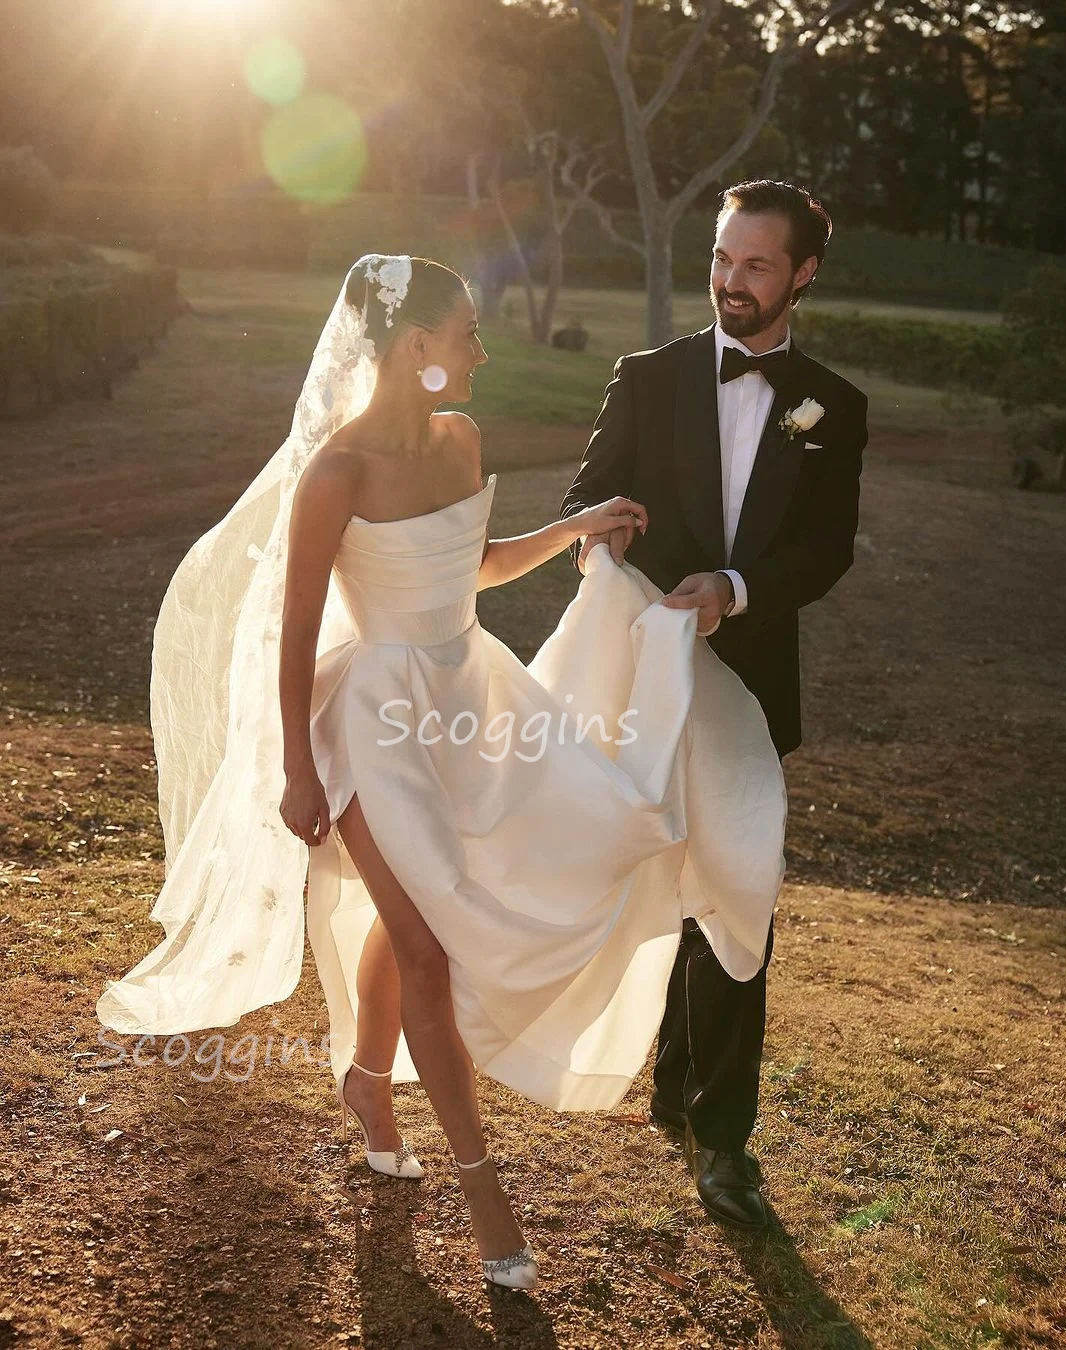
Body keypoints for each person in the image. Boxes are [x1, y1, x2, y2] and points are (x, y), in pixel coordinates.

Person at [96, 254, 787, 1289]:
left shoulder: (460, 439)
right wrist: (297, 765)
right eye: (467, 332)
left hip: (471, 699)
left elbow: (469, 567)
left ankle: (369, 1084)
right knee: (427, 945)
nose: (482, 349)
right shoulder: (335, 474)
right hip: (369, 716)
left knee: (462, 896)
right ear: (414, 345)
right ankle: (482, 1193)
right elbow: (292, 634)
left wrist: (573, 532)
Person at [561, 180, 870, 1231]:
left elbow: (825, 550)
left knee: (739, 890)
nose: (731, 282)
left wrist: (733, 593)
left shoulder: (835, 404)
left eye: (755, 266)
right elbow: (586, 501)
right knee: (664, 871)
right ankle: (669, 1074)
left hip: (751, 686)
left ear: (802, 275)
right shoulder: (647, 378)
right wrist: (601, 541)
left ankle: (721, 1139)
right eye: (723, 260)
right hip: (646, 686)